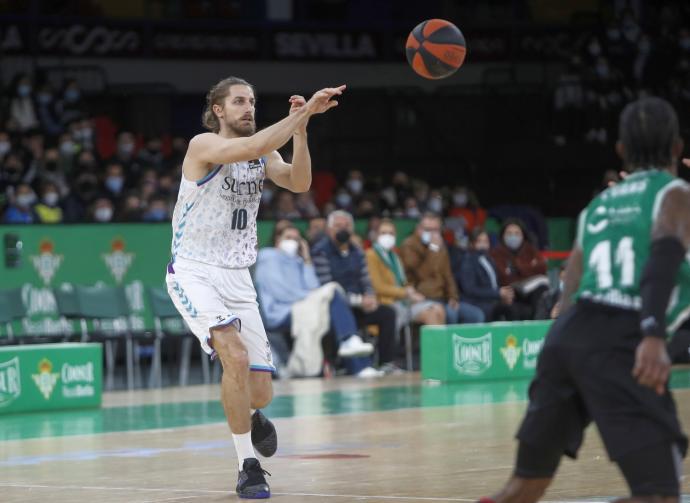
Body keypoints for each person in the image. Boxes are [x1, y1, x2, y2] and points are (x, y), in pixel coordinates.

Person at [480, 97, 690, 503]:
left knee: (524, 487)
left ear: (621, 151)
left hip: (567, 340)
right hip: (625, 337)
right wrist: (651, 333)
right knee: (660, 496)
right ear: (678, 148)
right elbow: (663, 258)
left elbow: (569, 287)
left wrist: (560, 361)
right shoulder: (676, 193)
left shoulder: (599, 205)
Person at [165, 76, 345, 499]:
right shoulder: (202, 145)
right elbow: (246, 148)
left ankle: (251, 415)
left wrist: (300, 131)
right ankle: (248, 465)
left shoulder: (265, 152)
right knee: (235, 356)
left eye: (253, 102)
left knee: (259, 390)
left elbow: (299, 182)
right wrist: (299, 112)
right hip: (194, 271)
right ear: (219, 111)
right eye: (240, 102)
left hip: (238, 277)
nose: (249, 108)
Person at [255, 224, 377, 377]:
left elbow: (314, 286)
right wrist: (310, 296)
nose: (292, 242)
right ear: (278, 240)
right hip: (280, 313)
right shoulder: (268, 256)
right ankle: (355, 356)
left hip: (304, 308)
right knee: (332, 291)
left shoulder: (299, 262)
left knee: (334, 307)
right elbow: (282, 293)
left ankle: (354, 358)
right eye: (288, 238)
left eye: (296, 239)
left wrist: (306, 260)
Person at [311, 210, 397, 374]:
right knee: (342, 311)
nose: (343, 229)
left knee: (387, 313)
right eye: (338, 226)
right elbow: (328, 287)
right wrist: (358, 300)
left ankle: (387, 363)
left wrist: (370, 297)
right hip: (334, 307)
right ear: (329, 230)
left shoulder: (357, 251)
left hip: (360, 305)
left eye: (347, 226)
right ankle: (357, 367)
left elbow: (366, 279)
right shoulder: (320, 251)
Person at [399, 212, 485, 324]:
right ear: (418, 229)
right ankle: (448, 342)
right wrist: (433, 249)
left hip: (442, 298)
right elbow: (422, 274)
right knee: (451, 314)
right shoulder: (409, 245)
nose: (432, 234)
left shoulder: (440, 245)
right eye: (428, 229)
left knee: (476, 315)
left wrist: (453, 297)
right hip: (423, 297)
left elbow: (447, 274)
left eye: (436, 230)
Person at [365, 218, 446, 332]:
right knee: (431, 313)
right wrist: (406, 293)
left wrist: (411, 292)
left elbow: (402, 282)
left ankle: (439, 349)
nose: (387, 236)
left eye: (391, 233)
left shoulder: (394, 257)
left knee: (438, 309)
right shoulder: (371, 255)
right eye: (383, 233)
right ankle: (434, 350)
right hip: (386, 302)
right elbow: (377, 287)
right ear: (376, 235)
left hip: (403, 300)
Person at [490, 219, 549, 319]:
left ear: (523, 236)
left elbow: (542, 268)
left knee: (542, 289)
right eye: (509, 233)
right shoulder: (496, 253)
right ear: (502, 236)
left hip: (531, 292)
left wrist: (518, 267)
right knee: (513, 308)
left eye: (517, 233)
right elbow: (504, 277)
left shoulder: (530, 250)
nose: (513, 237)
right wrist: (530, 267)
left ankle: (538, 329)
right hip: (510, 293)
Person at [455, 228, 516, 321]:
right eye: (479, 241)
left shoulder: (489, 259)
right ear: (471, 243)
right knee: (504, 310)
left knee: (515, 307)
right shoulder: (467, 261)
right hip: (476, 302)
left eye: (486, 241)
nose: (483, 245)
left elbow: (495, 283)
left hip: (492, 300)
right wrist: (497, 294)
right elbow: (470, 289)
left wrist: (503, 295)